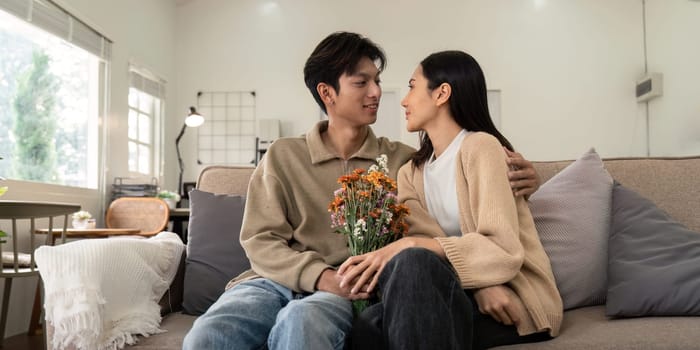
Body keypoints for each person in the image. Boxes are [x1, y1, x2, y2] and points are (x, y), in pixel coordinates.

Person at [183, 33, 541, 350]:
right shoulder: (282, 155)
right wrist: (320, 277)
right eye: (361, 82)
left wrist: (527, 178)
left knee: (303, 327)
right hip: (271, 282)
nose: (377, 92)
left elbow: (435, 231)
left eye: (377, 80)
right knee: (207, 336)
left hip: (345, 290)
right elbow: (260, 239)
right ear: (327, 93)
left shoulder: (402, 161)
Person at [339, 51, 562, 350]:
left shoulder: (481, 147)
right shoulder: (410, 173)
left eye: (412, 86)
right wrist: (478, 282)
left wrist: (413, 245)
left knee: (409, 262)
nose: (404, 100)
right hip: (459, 291)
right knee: (370, 322)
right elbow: (424, 247)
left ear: (442, 93)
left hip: (513, 298)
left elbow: (502, 249)